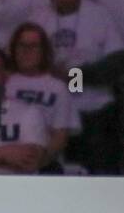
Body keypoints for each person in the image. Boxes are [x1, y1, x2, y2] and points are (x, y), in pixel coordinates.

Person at [0, 44, 52, 172]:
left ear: (5, 76)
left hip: (17, 190)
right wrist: (1, 153)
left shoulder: (29, 113)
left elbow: (31, 162)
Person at [6, 22, 78, 167]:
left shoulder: (58, 87)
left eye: (33, 46)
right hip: (4, 162)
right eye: (22, 45)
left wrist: (37, 163)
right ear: (14, 49)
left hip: (45, 164)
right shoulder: (3, 82)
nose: (27, 51)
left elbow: (61, 135)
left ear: (43, 51)